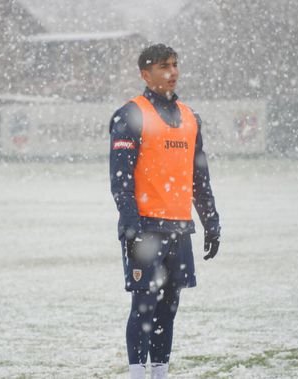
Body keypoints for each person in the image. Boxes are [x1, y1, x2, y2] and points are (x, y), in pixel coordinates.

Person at [109, 44, 221, 379]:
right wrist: (131, 229)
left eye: (174, 64)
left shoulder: (190, 118)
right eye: (162, 67)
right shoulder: (130, 114)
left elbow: (199, 177)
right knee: (143, 307)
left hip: (179, 230)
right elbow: (121, 181)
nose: (172, 72)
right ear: (145, 74)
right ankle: (136, 375)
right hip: (144, 229)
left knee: (168, 310)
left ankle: (160, 373)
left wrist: (211, 221)